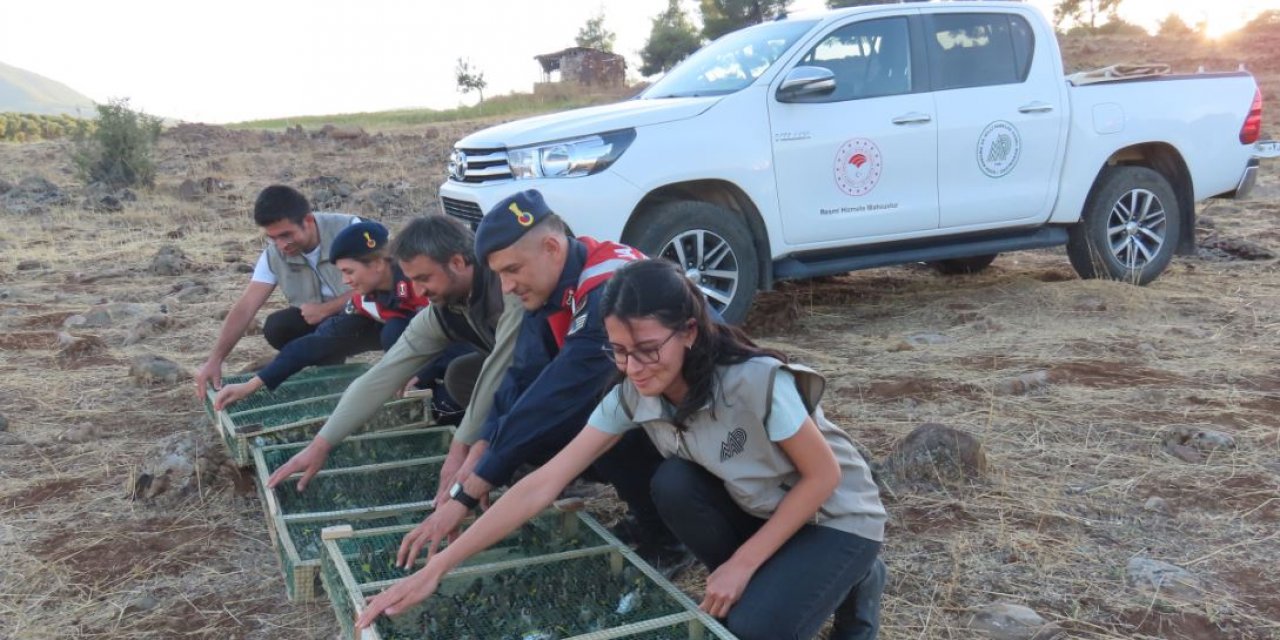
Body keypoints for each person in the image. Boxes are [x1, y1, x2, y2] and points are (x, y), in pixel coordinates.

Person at [355, 258, 888, 640]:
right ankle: (787, 576)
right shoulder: (633, 394)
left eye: (648, 350)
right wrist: (436, 569)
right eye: (619, 352)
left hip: (831, 515)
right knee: (672, 484)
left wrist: (743, 564)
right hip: (762, 506)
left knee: (753, 630)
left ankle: (857, 575)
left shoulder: (756, 381)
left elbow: (823, 479)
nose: (634, 368)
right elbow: (542, 484)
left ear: (690, 333)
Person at [390, 189, 685, 573]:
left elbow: (558, 393)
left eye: (512, 270)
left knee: (599, 412)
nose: (506, 286)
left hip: (700, 422)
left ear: (550, 247)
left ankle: (669, 538)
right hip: (658, 410)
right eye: (498, 275)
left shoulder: (610, 288)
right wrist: (483, 444)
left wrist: (473, 487)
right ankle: (647, 516)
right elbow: (522, 375)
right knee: (536, 430)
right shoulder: (560, 282)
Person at [266, 214, 522, 505]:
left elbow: (503, 367)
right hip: (518, 375)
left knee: (478, 380)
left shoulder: (507, 287)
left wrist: (460, 449)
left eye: (424, 279)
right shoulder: (442, 309)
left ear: (458, 263)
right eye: (412, 280)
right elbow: (382, 375)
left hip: (563, 377)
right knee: (462, 375)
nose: (419, 292)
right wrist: (321, 444)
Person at [211, 220, 467, 414]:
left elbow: (459, 336)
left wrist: (422, 372)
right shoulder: (365, 299)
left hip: (472, 353)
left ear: (378, 264)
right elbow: (318, 341)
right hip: (424, 347)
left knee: (442, 387)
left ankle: (442, 397)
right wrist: (255, 384)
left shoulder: (424, 284)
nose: (345, 281)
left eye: (348, 272)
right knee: (392, 332)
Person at [194, 185, 360, 399]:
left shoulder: (350, 230)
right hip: (324, 324)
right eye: (273, 238)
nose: (281, 245)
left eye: (286, 235)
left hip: (364, 316)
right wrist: (215, 360)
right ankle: (328, 373)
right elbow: (246, 307)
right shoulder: (273, 255)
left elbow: (381, 285)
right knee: (277, 327)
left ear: (308, 221)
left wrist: (325, 309)